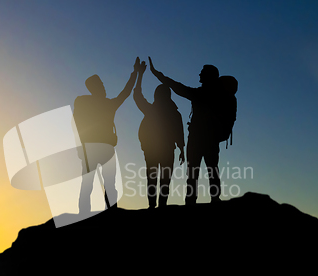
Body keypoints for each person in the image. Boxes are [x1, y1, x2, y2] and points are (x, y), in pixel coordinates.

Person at [148, 57, 225, 204]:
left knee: (194, 172)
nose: (199, 75)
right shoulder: (217, 96)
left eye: (202, 73)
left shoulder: (199, 94)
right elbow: (177, 87)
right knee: (211, 170)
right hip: (209, 139)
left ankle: (191, 201)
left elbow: (177, 87)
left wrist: (157, 74)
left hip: (197, 139)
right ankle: (214, 198)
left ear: (209, 76)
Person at [73, 58, 140, 213]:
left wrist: (135, 73)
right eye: (101, 85)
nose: (103, 87)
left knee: (95, 183)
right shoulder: (97, 103)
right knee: (97, 183)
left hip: (96, 148)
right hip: (96, 148)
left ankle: (92, 213)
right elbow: (125, 93)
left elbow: (125, 93)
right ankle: (101, 213)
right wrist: (135, 73)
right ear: (94, 88)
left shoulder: (87, 103)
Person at [133, 60, 185, 209]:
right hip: (164, 150)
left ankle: (154, 206)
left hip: (157, 150)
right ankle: (158, 206)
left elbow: (137, 96)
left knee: (154, 178)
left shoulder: (154, 111)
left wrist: (139, 75)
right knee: (162, 179)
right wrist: (182, 149)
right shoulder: (174, 113)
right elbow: (179, 133)